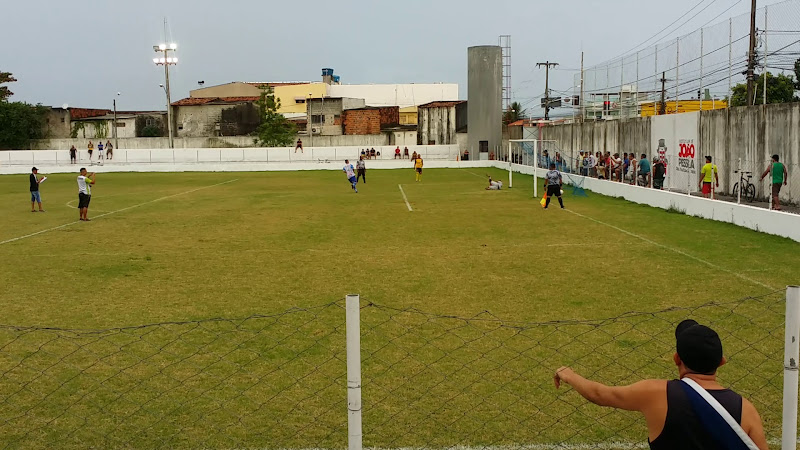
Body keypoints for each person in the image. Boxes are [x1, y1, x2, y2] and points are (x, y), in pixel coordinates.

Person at [554, 319, 768, 450]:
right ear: (722, 362)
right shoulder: (746, 409)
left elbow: (600, 394)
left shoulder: (657, 393)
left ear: (676, 359)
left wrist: (569, 374)